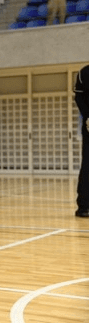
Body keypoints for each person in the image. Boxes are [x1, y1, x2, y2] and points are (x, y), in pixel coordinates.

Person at [74, 65, 89, 218]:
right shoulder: (84, 73)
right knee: (87, 165)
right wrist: (88, 117)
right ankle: (83, 205)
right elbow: (79, 97)